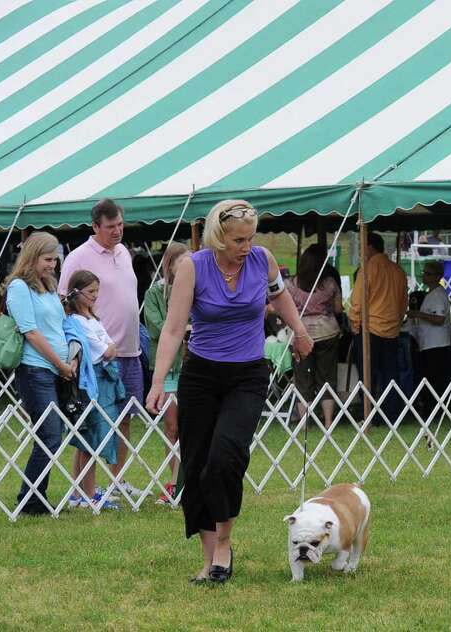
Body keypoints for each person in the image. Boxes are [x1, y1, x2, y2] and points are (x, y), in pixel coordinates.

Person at [145, 200, 313, 584]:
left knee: (226, 456)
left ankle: (225, 541)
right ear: (218, 238)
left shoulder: (262, 260)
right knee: (199, 463)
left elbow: (280, 295)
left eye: (251, 237)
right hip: (201, 374)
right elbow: (172, 330)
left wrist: (300, 332)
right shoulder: (193, 267)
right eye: (239, 239)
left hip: (247, 374)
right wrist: (158, 382)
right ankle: (209, 559)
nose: (246, 246)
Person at [59, 199, 144, 502]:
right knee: (93, 421)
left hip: (130, 351)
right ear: (95, 226)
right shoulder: (78, 257)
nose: (118, 231)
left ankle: (117, 481)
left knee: (124, 418)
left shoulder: (124, 252)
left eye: (120, 225)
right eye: (111, 227)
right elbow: (64, 303)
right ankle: (82, 488)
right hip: (99, 357)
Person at [4, 232, 76, 516]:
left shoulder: (48, 286)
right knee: (49, 434)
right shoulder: (19, 287)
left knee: (51, 435)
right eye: (47, 260)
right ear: (32, 257)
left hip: (57, 369)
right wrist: (60, 364)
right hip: (35, 370)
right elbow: (31, 332)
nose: (53, 265)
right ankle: (30, 499)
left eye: (55, 259)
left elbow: (58, 325)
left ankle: (36, 496)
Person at [62, 270, 123, 511]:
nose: (95, 296)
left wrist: (109, 347)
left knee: (87, 440)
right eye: (91, 292)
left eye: (97, 291)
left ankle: (80, 493)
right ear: (77, 294)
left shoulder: (93, 319)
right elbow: (107, 351)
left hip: (104, 382)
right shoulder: (76, 321)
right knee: (90, 440)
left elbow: (111, 347)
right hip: (91, 384)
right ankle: (88, 494)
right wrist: (109, 347)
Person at [144, 242, 191, 503]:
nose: (186, 267)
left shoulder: (197, 289)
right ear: (170, 265)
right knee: (172, 426)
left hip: (193, 365)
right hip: (168, 367)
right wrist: (183, 328)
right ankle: (174, 483)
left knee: (192, 427)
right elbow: (157, 327)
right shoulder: (154, 294)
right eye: (181, 262)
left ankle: (191, 480)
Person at [348, 232, 408, 424]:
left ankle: (369, 416)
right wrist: (397, 322)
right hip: (392, 331)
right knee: (391, 375)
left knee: (368, 377)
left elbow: (357, 303)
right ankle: (392, 415)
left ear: (369, 247)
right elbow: (403, 303)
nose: (360, 252)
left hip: (370, 331)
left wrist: (355, 325)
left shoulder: (367, 269)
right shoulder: (398, 270)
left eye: (361, 247)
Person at [286, 244, 343, 429]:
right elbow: (338, 309)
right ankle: (328, 422)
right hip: (327, 333)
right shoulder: (330, 283)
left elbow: (285, 309)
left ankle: (304, 424)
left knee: (303, 379)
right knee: (327, 378)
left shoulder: (291, 284)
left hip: (301, 334)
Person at [408, 260, 451, 410]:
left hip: (437, 344)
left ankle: (434, 408)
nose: (424, 276)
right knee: (430, 378)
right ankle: (430, 406)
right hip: (429, 343)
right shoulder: (431, 293)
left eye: (428, 274)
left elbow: (439, 319)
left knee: (434, 379)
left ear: (437, 276)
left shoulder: (438, 295)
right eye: (424, 273)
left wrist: (418, 314)